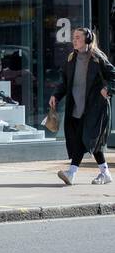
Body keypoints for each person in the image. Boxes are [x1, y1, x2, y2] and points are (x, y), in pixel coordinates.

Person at [49, 26, 115, 186]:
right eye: (74, 37)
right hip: (76, 107)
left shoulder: (97, 58)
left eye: (78, 37)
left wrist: (108, 89)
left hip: (95, 107)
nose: (74, 40)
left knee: (82, 138)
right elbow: (64, 82)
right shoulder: (71, 58)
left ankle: (71, 173)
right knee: (92, 141)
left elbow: (113, 75)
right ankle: (105, 173)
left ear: (88, 39)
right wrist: (56, 96)